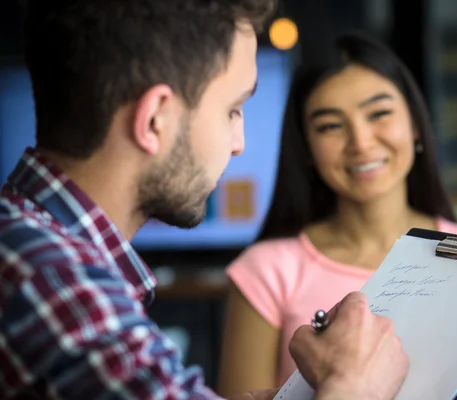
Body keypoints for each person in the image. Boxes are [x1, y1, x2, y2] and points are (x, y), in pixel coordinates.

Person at [0, 1, 409, 399]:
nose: (239, 144)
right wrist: (356, 386)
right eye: (232, 110)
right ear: (155, 119)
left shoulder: (29, 250)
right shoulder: (60, 288)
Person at [219, 33, 457, 399]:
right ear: (306, 148)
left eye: (379, 114)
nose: (361, 142)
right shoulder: (264, 271)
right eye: (330, 126)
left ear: (416, 124)